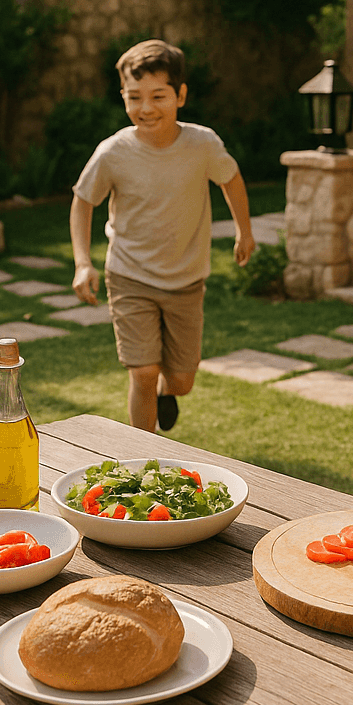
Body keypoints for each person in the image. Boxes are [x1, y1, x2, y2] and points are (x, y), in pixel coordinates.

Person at [71, 39, 255, 433]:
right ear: (123, 96)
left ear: (180, 96)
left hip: (186, 280)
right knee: (142, 371)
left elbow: (231, 179)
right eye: (134, 97)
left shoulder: (202, 144)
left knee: (182, 380)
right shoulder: (113, 152)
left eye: (158, 96)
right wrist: (83, 262)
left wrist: (245, 231)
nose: (146, 107)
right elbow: (83, 200)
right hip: (129, 275)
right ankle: (144, 453)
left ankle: (166, 393)